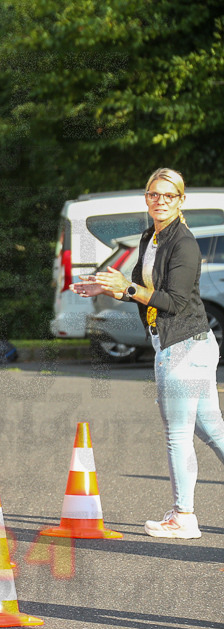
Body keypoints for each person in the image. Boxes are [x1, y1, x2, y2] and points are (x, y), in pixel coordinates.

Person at [72, 167, 224, 539]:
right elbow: (140, 286)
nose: (160, 201)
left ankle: (184, 517)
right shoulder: (151, 236)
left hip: (184, 346)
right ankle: (183, 513)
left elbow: (172, 301)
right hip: (185, 345)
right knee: (213, 433)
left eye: (168, 196)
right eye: (154, 194)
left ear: (180, 200)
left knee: (178, 434)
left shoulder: (183, 243)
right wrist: (106, 288)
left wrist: (127, 289)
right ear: (146, 197)